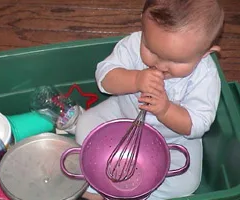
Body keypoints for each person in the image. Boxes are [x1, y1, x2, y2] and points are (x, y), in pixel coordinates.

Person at [76, 0, 225, 199]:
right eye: (151, 50)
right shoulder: (132, 44)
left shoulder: (205, 76)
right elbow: (105, 78)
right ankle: (95, 182)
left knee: (186, 182)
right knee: (85, 123)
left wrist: (166, 110)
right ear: (143, 28)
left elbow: (198, 124)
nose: (161, 65)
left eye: (177, 61)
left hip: (171, 139)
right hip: (121, 115)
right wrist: (135, 79)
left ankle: (136, 193)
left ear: (206, 53)